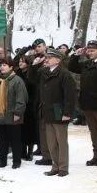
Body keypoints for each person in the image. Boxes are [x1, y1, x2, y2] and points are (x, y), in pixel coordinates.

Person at [69, 40, 97, 168]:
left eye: (92, 50)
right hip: (88, 103)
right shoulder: (87, 64)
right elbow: (72, 67)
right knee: (93, 131)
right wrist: (76, 54)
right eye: (88, 50)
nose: (89, 52)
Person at [38, 49, 76, 177]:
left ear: (58, 60)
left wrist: (67, 113)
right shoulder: (44, 72)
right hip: (47, 112)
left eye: (50, 57)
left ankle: (63, 167)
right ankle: (55, 166)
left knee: (61, 141)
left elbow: (70, 96)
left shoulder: (65, 75)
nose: (46, 59)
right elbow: (32, 77)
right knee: (51, 142)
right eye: (46, 57)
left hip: (59, 112)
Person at [0, 57, 27, 169]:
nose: (2, 67)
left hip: (12, 115)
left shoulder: (17, 80)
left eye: (5, 65)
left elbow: (21, 98)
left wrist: (18, 113)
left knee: (15, 139)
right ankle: (2, 160)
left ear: (11, 67)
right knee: (2, 139)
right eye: (1, 65)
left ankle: (17, 161)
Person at [17, 54, 41, 160]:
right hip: (19, 104)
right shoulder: (17, 73)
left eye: (23, 61)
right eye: (20, 61)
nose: (20, 63)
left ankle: (30, 152)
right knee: (20, 129)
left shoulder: (31, 73)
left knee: (30, 129)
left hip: (30, 105)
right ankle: (21, 151)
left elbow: (33, 88)